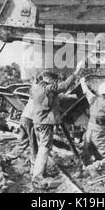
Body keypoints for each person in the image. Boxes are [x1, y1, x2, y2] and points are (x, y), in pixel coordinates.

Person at [31, 60, 85, 189]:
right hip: (45, 121)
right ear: (50, 80)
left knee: (43, 146)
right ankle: (37, 176)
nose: (55, 83)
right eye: (54, 82)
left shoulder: (36, 87)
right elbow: (64, 86)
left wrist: (68, 97)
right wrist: (77, 71)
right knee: (45, 147)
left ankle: (36, 171)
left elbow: (53, 97)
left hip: (39, 120)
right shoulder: (48, 88)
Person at [79, 77, 105, 177]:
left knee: (87, 152)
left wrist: (82, 81)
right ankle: (92, 168)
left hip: (89, 130)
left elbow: (86, 91)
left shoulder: (93, 99)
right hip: (100, 132)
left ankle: (82, 169)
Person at [5, 76, 39, 169]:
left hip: (24, 117)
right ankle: (34, 164)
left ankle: (9, 156)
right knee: (33, 143)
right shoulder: (41, 91)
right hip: (30, 119)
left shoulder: (34, 89)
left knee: (23, 141)